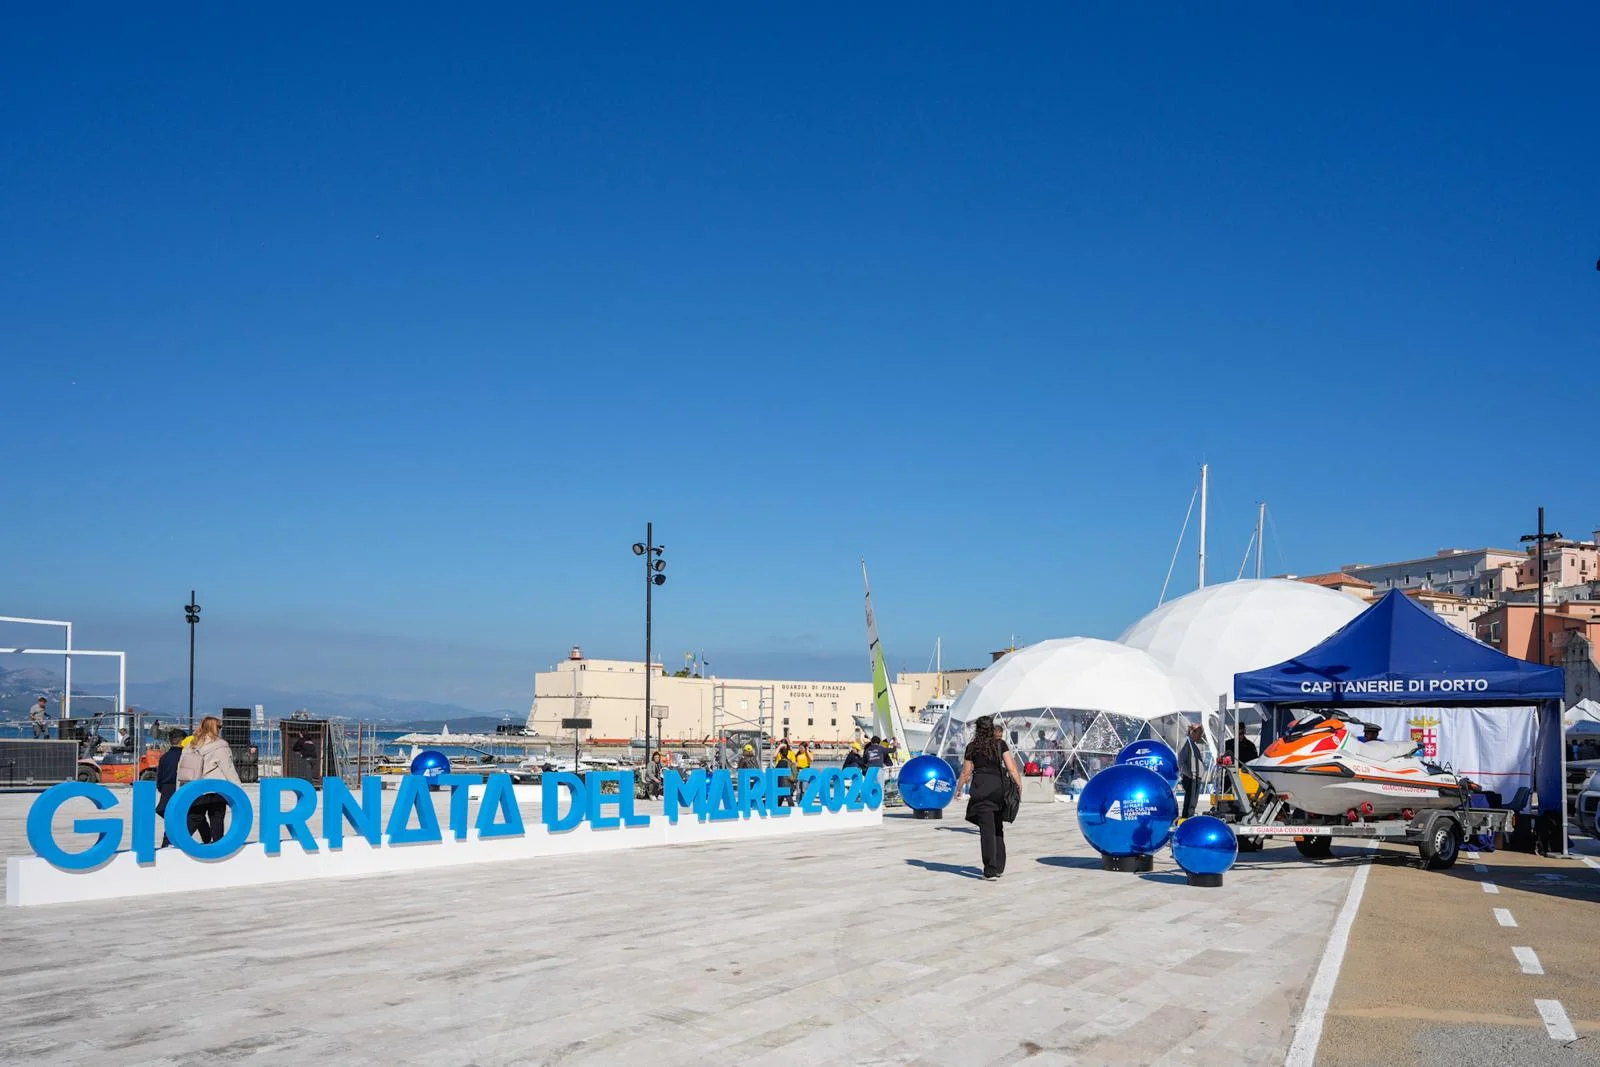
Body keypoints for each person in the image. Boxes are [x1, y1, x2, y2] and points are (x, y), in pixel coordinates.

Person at [954, 715, 1023, 880]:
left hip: (981, 788)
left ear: (977, 729)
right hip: (998, 788)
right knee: (997, 826)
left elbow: (966, 772)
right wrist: (1019, 784)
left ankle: (990, 870)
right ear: (991, 728)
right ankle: (999, 866)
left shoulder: (972, 747)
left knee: (987, 830)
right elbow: (1011, 767)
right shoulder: (1000, 744)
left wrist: (959, 788)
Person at [177, 715, 241, 844]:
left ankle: (178, 841)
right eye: (219, 727)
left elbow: (181, 767)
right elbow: (228, 768)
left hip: (195, 787)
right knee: (217, 818)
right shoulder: (220, 745)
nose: (220, 729)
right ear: (215, 728)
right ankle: (217, 847)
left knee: (194, 817)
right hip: (215, 788)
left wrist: (180, 788)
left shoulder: (191, 745)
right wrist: (238, 788)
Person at [155, 728, 186, 847]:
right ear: (182, 741)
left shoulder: (164, 757)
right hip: (180, 786)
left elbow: (160, 777)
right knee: (185, 815)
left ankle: (166, 842)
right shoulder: (184, 756)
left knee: (170, 816)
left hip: (167, 788)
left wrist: (161, 788)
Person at [1178, 723, 1206, 820]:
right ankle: (1186, 819)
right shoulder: (1186, 742)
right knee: (1190, 802)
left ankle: (1189, 817)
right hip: (1191, 778)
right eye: (1199, 733)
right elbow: (1181, 762)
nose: (1200, 736)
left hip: (1195, 778)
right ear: (1192, 732)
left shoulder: (1193, 744)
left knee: (1193, 803)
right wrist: (1189, 774)